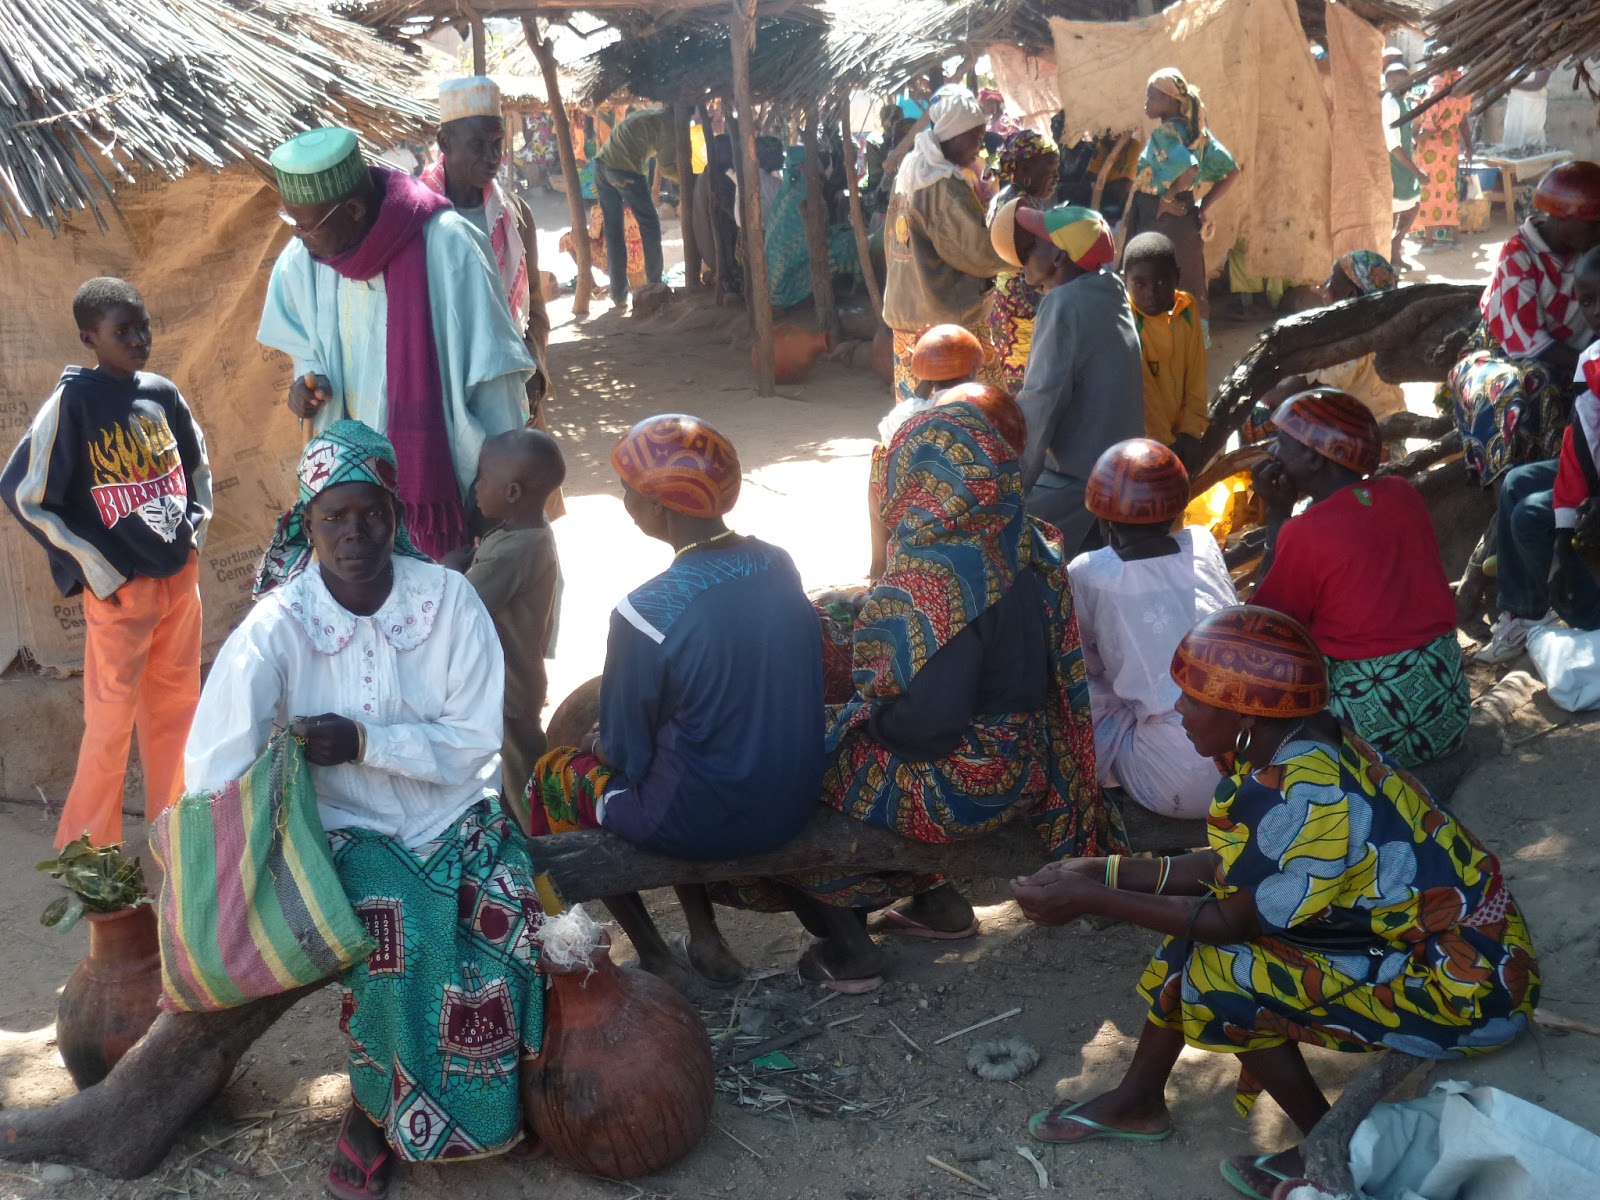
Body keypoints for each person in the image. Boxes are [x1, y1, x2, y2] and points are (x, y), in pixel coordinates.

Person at [1010, 605, 1538, 1200]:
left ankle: (1323, 1143)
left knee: (1221, 969)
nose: (1179, 709)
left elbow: (1229, 920)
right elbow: (1225, 869)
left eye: (1193, 698)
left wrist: (1092, 897)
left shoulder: (1304, 792)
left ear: (1244, 713)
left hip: (1467, 990)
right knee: (1198, 934)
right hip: (1434, 949)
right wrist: (1100, 869)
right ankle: (1139, 1099)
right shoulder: (1291, 748)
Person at [186, 420, 541, 1197]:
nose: (354, 533)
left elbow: (476, 742)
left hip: (455, 812)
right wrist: (240, 850)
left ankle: (487, 1102)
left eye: (370, 514)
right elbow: (215, 760)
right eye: (333, 518)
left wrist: (362, 741)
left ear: (395, 515)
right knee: (395, 931)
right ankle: (375, 1110)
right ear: (305, 525)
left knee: (512, 918)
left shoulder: (447, 602)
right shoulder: (279, 626)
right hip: (343, 831)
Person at [715, 401, 1119, 992]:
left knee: (794, 770)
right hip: (1030, 763)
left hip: (971, 786)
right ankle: (938, 904)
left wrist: (852, 722)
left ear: (918, 479)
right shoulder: (1022, 544)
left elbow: (926, 729)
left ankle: (851, 946)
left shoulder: (939, 577)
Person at [527, 414, 825, 988]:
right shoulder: (777, 563)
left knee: (553, 779)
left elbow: (625, 754)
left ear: (660, 508)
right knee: (680, 749)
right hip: (793, 797)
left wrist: (595, 742)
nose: (622, 500)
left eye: (628, 491)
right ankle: (704, 937)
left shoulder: (645, 612)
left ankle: (655, 952)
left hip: (705, 819)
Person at [257, 127, 537, 562]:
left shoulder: (449, 245)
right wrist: (306, 389)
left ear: (352, 209)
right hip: (353, 502)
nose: (298, 236)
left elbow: (495, 382)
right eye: (291, 221)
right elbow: (304, 350)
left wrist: (497, 495)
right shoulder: (307, 259)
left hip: (446, 492)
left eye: (305, 225)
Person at [1, 277, 211, 850]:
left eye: (143, 326)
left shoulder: (163, 394)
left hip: (178, 584)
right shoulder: (73, 402)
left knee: (177, 712)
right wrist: (99, 571)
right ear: (88, 337)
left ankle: (178, 841)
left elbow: (196, 469)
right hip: (121, 593)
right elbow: (24, 493)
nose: (139, 339)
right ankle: (90, 854)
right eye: (122, 331)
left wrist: (192, 533)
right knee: (111, 724)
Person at [1251, 389, 1469, 766]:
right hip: (1446, 709)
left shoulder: (1304, 532)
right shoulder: (1402, 494)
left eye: (1282, 442)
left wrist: (1277, 515)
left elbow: (1266, 626)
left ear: (1314, 458)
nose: (1273, 452)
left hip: (1375, 733)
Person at [1068, 439, 1237, 818]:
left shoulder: (1089, 571)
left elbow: (1083, 663)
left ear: (1104, 516)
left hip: (1180, 778)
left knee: (1084, 689)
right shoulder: (1204, 544)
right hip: (1248, 756)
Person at [421, 80, 557, 478]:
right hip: (442, 383)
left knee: (517, 501)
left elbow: (533, 308)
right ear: (445, 141)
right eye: (478, 145)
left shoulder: (514, 214)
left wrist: (536, 371)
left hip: (510, 382)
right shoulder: (417, 217)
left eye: (498, 143)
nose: (493, 156)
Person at [993, 200, 1144, 553]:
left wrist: (1009, 492)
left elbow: (1040, 405)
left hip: (1080, 484)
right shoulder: (1110, 288)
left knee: (991, 541)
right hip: (1122, 474)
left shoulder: (1063, 303)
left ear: (1059, 257)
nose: (1024, 259)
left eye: (1031, 249)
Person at [1443, 160, 1600, 486]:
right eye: (1594, 223)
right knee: (1516, 390)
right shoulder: (1519, 255)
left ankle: (1558, 491)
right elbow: (1529, 345)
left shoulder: (1591, 253)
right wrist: (1590, 364)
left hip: (1563, 357)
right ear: (1562, 217)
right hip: (1500, 352)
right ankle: (1507, 493)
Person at [1475, 254, 1600, 663]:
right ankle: (1525, 611)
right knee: (1517, 482)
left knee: (1531, 517)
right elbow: (1580, 447)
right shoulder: (1592, 357)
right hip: (1594, 469)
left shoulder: (1592, 361)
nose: (1595, 311)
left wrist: (1565, 537)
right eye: (1586, 301)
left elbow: (1583, 453)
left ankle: (1583, 613)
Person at [882, 86, 1011, 404]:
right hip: (945, 319)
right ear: (953, 136)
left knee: (915, 410)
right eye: (975, 137)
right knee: (973, 407)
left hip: (907, 310)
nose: (980, 144)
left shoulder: (913, 170)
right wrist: (1020, 256)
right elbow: (974, 251)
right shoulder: (943, 185)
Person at [460, 428, 565, 811]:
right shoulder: (523, 533)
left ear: (513, 493)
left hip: (509, 687)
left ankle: (541, 849)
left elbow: (462, 602)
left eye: (483, 478)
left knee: (523, 781)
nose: (475, 487)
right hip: (516, 679)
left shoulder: (515, 551)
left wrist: (443, 570)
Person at [867, 325, 986, 579]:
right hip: (979, 503)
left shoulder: (918, 412)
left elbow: (888, 431)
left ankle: (879, 568)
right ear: (975, 371)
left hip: (927, 507)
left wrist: (923, 386)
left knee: (880, 457)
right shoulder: (986, 405)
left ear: (928, 377)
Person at [1247, 251, 1406, 440]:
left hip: (1360, 447)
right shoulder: (1389, 329)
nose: (1323, 286)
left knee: (1255, 417)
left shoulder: (1347, 345)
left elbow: (1287, 396)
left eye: (1330, 281)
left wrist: (1253, 384)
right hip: (1391, 436)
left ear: (1350, 294)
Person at [1122, 69, 1238, 321]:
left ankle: (1160, 347)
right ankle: (1193, 345)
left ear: (1172, 101)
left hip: (1159, 217)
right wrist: (1202, 206)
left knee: (1153, 283)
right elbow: (1231, 171)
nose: (1146, 102)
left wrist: (1166, 198)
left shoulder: (1164, 134)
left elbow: (1190, 168)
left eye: (1152, 96)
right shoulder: (1197, 132)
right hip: (1184, 218)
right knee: (1187, 282)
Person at [1123, 232, 1208, 472]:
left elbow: (1197, 376)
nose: (1152, 292)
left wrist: (1191, 431)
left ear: (1177, 277)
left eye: (1161, 282)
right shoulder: (1126, 321)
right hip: (1145, 443)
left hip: (1183, 435)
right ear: (1125, 281)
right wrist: (1166, 445)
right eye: (1140, 284)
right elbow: (1144, 394)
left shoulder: (1187, 310)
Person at [984, 130, 1060, 393]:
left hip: (1005, 299)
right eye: (1050, 170)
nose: (1056, 178)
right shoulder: (1020, 206)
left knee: (1012, 374)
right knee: (1025, 376)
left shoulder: (1004, 197)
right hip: (1021, 303)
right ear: (1026, 168)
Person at [592, 107, 676, 307]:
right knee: (650, 224)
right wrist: (690, 178)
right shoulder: (669, 126)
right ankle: (655, 284)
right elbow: (666, 168)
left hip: (601, 167)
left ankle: (618, 295)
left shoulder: (649, 114)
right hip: (623, 169)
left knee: (614, 232)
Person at [764, 144, 863, 309]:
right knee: (849, 242)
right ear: (804, 166)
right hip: (789, 282)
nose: (818, 164)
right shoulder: (807, 193)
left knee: (843, 233)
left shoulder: (789, 191)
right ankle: (857, 290)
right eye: (814, 161)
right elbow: (817, 236)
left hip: (775, 284)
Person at [1413, 66, 1474, 248]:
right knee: (1449, 191)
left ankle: (1429, 242)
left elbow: (1415, 133)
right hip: (1449, 150)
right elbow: (1463, 124)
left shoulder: (1429, 98)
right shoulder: (1460, 99)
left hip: (1431, 151)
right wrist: (1469, 146)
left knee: (1429, 192)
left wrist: (1418, 137)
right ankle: (1456, 239)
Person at [1384, 62, 1427, 265]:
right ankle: (1390, 254)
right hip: (1394, 164)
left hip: (1404, 164)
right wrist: (1417, 172)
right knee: (1393, 211)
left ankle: (1395, 247)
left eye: (1399, 82)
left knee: (1413, 204)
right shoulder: (1390, 104)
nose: (1394, 85)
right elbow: (1393, 145)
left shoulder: (1403, 102)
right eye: (1390, 81)